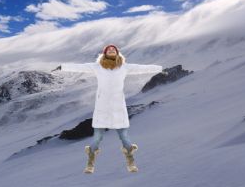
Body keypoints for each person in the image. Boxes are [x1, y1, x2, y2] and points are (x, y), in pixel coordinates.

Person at [53, 44, 165, 173]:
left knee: (124, 136)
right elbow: (81, 67)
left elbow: (141, 68)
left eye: (114, 49)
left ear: (117, 53)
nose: (111, 50)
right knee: (97, 137)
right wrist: (63, 67)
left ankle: (131, 162)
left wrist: (159, 68)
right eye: (109, 49)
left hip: (118, 106)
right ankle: (90, 163)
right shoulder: (98, 66)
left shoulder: (124, 67)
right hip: (103, 106)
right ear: (105, 53)